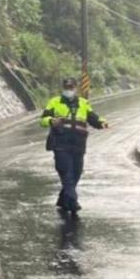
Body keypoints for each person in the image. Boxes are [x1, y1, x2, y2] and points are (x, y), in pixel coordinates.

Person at [40, 77, 109, 215]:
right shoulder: (54, 102)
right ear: (63, 88)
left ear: (75, 88)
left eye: (71, 88)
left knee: (76, 173)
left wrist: (102, 123)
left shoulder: (83, 103)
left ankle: (63, 199)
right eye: (66, 88)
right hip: (60, 144)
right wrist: (51, 121)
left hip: (78, 145)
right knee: (66, 173)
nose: (69, 90)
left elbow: (93, 118)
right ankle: (73, 201)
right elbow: (43, 120)